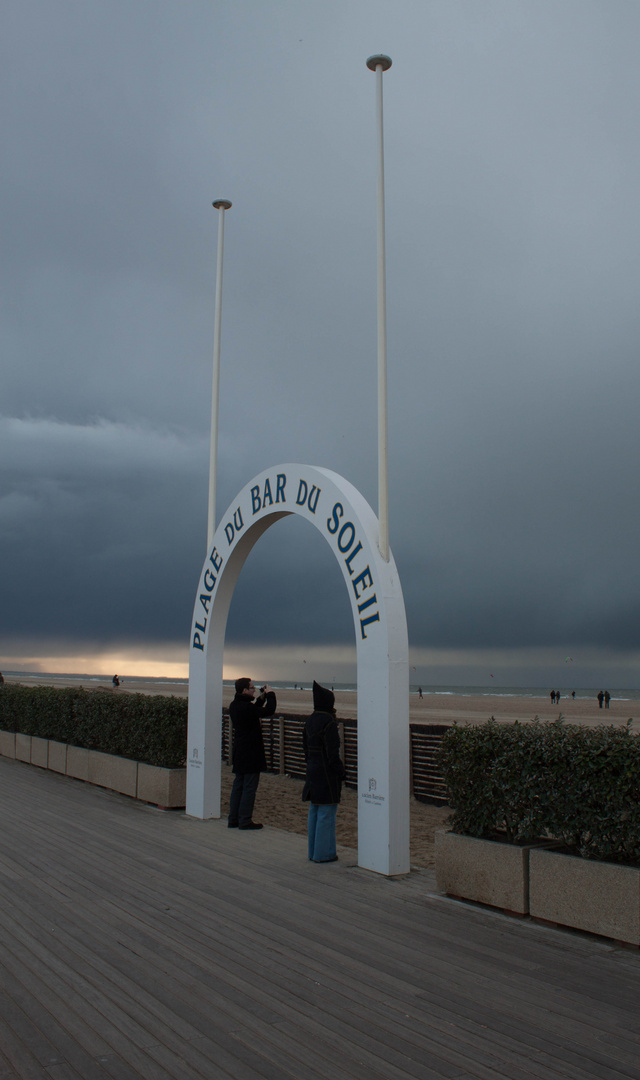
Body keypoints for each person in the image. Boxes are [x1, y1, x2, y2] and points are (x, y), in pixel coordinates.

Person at [303, 681, 346, 863]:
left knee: (315, 810)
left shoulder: (310, 720)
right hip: (326, 773)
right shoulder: (328, 722)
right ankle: (324, 854)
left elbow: (305, 748)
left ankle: (313, 852)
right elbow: (332, 752)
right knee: (326, 813)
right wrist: (340, 772)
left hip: (312, 769)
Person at [228, 677, 276, 830]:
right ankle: (244, 820)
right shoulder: (246, 708)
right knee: (249, 787)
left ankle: (233, 819)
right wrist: (271, 694)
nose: (254, 689)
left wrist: (261, 698)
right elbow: (269, 711)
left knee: (238, 786)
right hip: (251, 752)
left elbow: (255, 711)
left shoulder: (235, 705)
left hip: (240, 751)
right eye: (252, 688)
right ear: (244, 690)